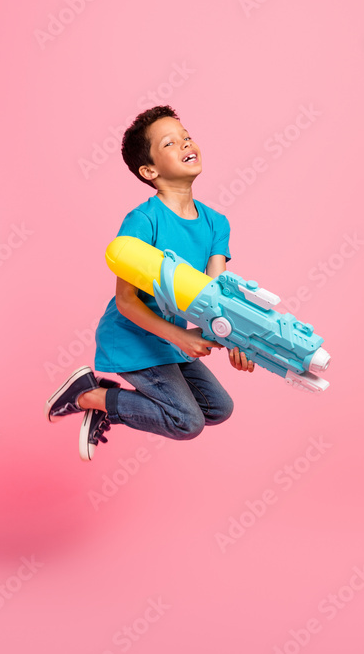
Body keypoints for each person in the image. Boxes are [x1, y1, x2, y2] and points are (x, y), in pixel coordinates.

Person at [45, 105, 255, 461]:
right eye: (170, 143)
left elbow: (217, 299)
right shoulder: (143, 220)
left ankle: (107, 402)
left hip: (171, 341)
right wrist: (181, 337)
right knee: (186, 421)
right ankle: (88, 396)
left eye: (186, 137)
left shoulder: (217, 223)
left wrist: (240, 341)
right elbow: (126, 301)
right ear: (149, 170)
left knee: (218, 408)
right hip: (133, 338)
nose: (186, 144)